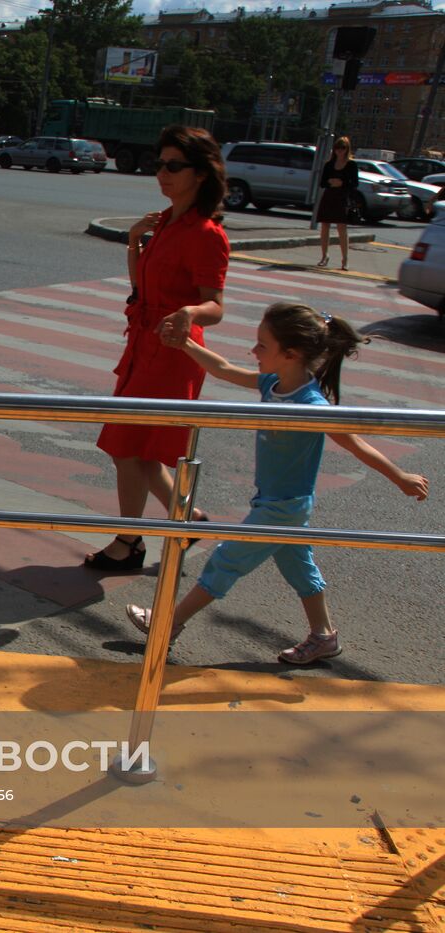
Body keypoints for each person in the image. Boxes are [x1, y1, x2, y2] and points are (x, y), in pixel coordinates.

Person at [126, 302, 429, 664]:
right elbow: (223, 369)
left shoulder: (310, 405)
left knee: (226, 561)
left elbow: (355, 443)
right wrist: (186, 345)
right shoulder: (273, 383)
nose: (253, 351)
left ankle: (168, 623)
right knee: (300, 568)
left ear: (291, 354)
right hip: (279, 502)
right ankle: (323, 636)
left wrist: (400, 476)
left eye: (262, 346)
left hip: (283, 507)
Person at [85, 125, 230, 572]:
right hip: (144, 344)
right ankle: (186, 521)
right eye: (159, 165)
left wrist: (189, 311)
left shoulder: (206, 233)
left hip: (173, 352)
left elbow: (217, 306)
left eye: (173, 166)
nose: (162, 174)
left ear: (201, 173)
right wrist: (133, 242)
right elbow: (139, 285)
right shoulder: (163, 221)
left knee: (128, 446)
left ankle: (128, 543)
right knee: (139, 450)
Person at [316, 136, 358, 271]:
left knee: (341, 228)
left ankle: (345, 259)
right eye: (337, 148)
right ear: (334, 149)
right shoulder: (329, 164)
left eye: (343, 148)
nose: (340, 151)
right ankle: (324, 256)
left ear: (347, 149)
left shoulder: (351, 164)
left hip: (342, 196)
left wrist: (342, 183)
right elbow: (322, 182)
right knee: (325, 226)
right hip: (329, 195)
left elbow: (355, 183)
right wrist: (330, 182)